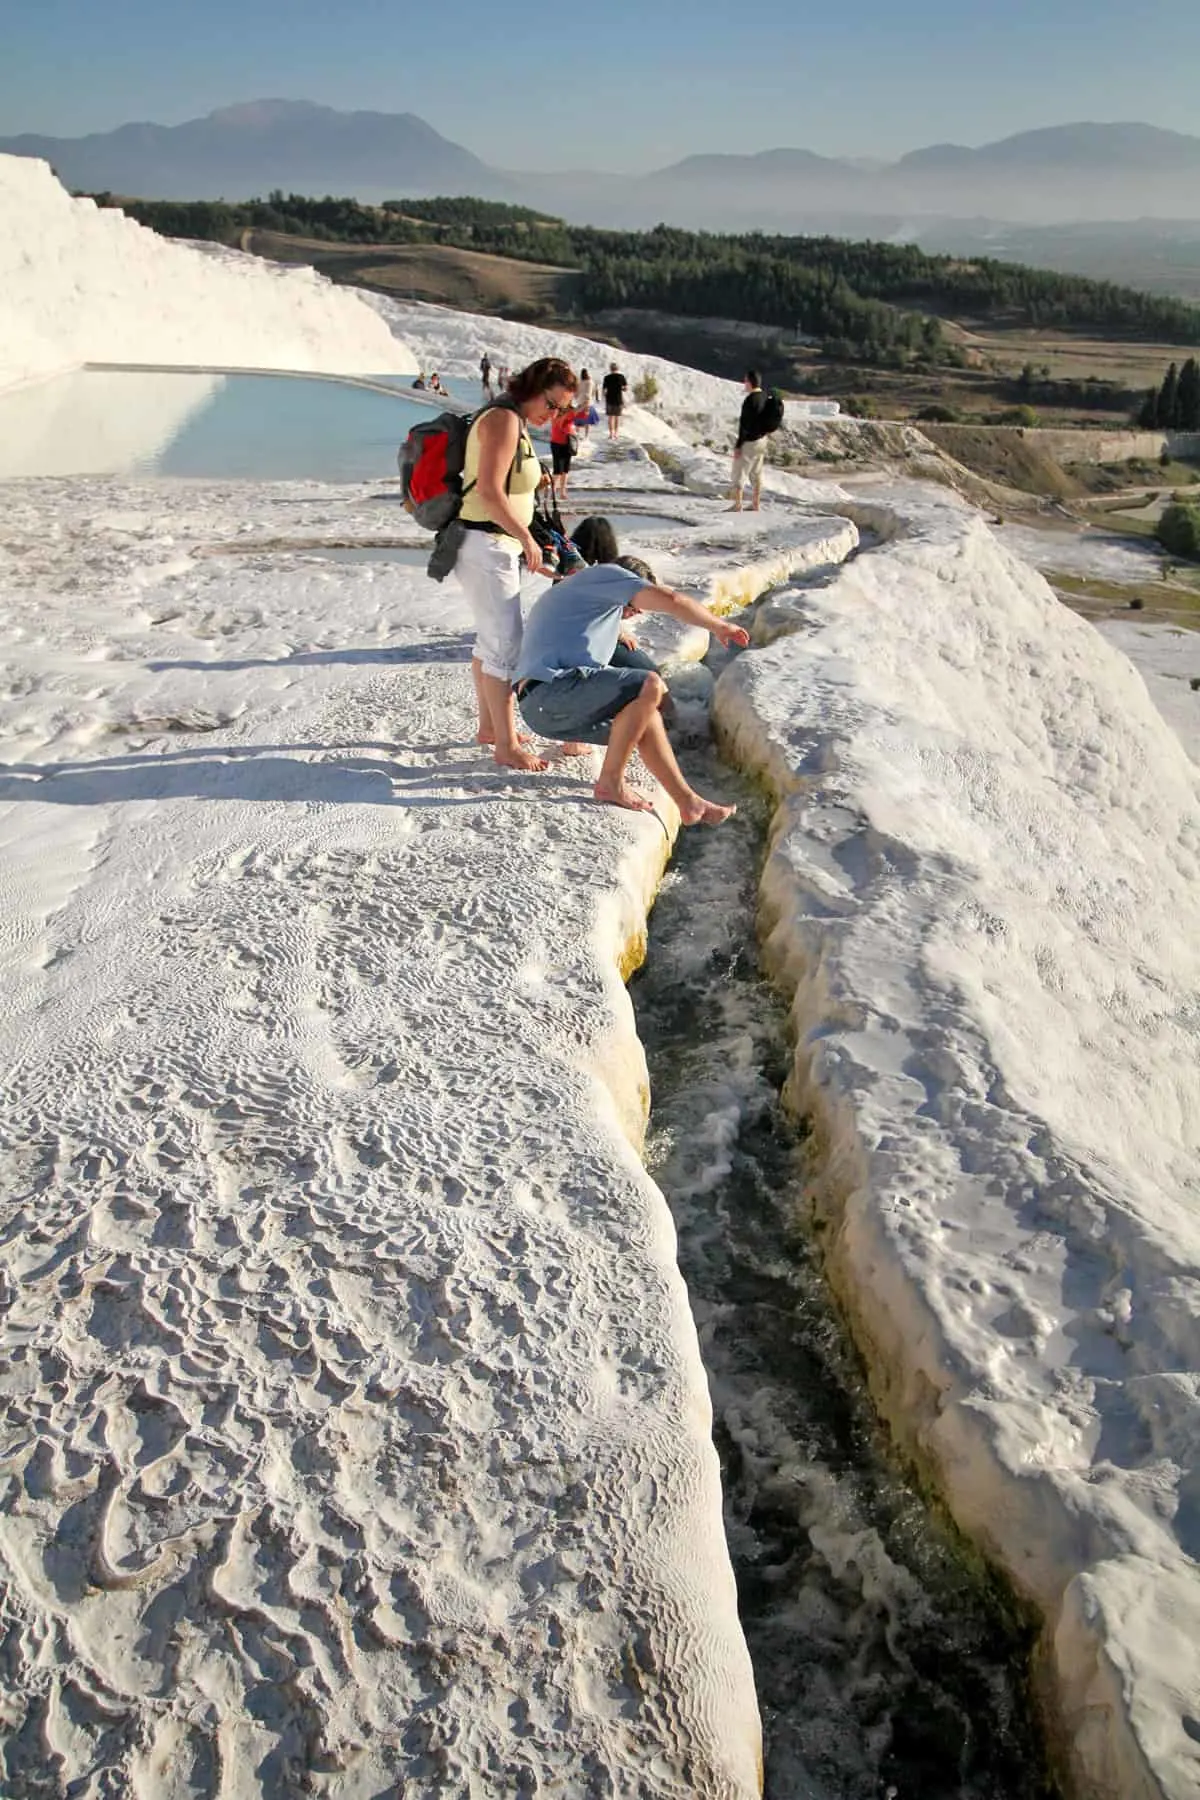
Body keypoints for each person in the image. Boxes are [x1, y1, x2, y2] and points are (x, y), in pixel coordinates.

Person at [513, 560, 748, 821]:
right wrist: (720, 626)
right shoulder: (607, 575)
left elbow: (572, 659)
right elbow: (672, 599)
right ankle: (610, 783)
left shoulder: (584, 602)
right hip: (546, 696)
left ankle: (689, 802)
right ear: (627, 584)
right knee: (648, 685)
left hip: (544, 710)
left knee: (646, 717)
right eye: (636, 605)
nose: (638, 612)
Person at [453, 356, 578, 772]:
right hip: (486, 543)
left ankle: (490, 729)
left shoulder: (515, 421)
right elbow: (489, 490)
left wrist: (527, 539)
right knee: (507, 645)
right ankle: (505, 745)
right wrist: (526, 539)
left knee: (489, 641)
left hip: (492, 544)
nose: (554, 414)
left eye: (561, 410)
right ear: (534, 387)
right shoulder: (504, 420)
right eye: (553, 404)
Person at [730, 368, 772, 512]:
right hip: (762, 440)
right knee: (757, 472)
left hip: (749, 442)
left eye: (745, 380)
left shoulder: (750, 400)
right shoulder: (765, 397)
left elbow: (744, 426)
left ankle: (737, 505)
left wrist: (738, 446)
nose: (744, 383)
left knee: (739, 472)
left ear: (750, 383)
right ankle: (756, 503)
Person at [548, 396, 593, 503]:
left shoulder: (569, 410)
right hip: (557, 442)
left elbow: (582, 416)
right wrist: (581, 406)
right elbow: (564, 419)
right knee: (558, 470)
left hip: (568, 442)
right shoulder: (556, 411)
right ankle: (553, 492)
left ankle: (562, 492)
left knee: (565, 469)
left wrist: (586, 408)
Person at [602, 363, 627, 441]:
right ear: (617, 369)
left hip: (609, 399)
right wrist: (621, 388)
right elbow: (625, 388)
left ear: (610, 369)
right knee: (617, 417)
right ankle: (616, 433)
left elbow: (604, 390)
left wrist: (605, 396)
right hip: (618, 399)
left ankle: (611, 434)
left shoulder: (606, 378)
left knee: (610, 417)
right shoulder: (621, 377)